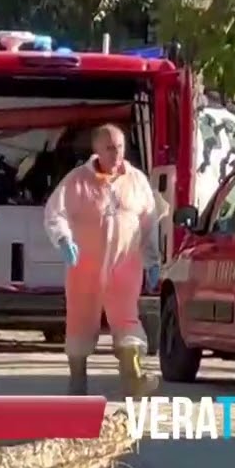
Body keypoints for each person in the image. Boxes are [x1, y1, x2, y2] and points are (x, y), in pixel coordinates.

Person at [44, 123, 161, 397]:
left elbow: (149, 222)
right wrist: (63, 239)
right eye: (109, 148)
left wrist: (152, 259)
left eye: (119, 147)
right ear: (96, 149)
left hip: (125, 266)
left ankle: (134, 376)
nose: (116, 153)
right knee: (80, 321)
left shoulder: (136, 181)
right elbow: (55, 213)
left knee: (127, 319)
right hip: (85, 266)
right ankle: (77, 380)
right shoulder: (76, 181)